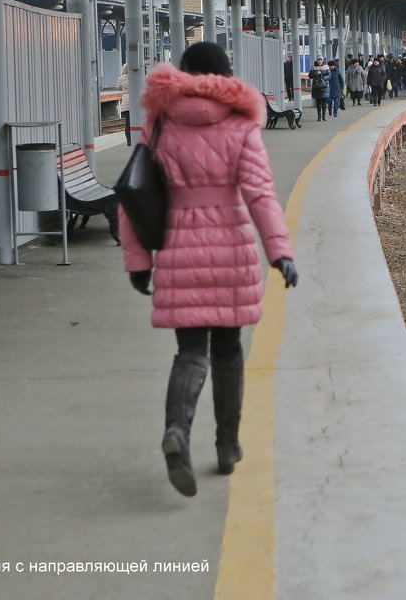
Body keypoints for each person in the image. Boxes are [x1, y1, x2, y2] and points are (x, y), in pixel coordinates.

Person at [120, 41, 298, 498]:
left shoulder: (159, 123)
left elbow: (135, 191)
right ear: (225, 76)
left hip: (180, 246)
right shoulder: (240, 123)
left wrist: (138, 260)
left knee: (190, 350)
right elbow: (260, 194)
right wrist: (280, 252)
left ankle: (177, 432)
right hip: (231, 247)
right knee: (229, 349)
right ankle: (227, 445)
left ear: (183, 73)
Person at [118, 63, 131, 146]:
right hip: (134, 100)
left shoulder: (121, 78)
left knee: (127, 122)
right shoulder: (135, 76)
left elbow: (118, 87)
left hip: (125, 100)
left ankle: (129, 140)